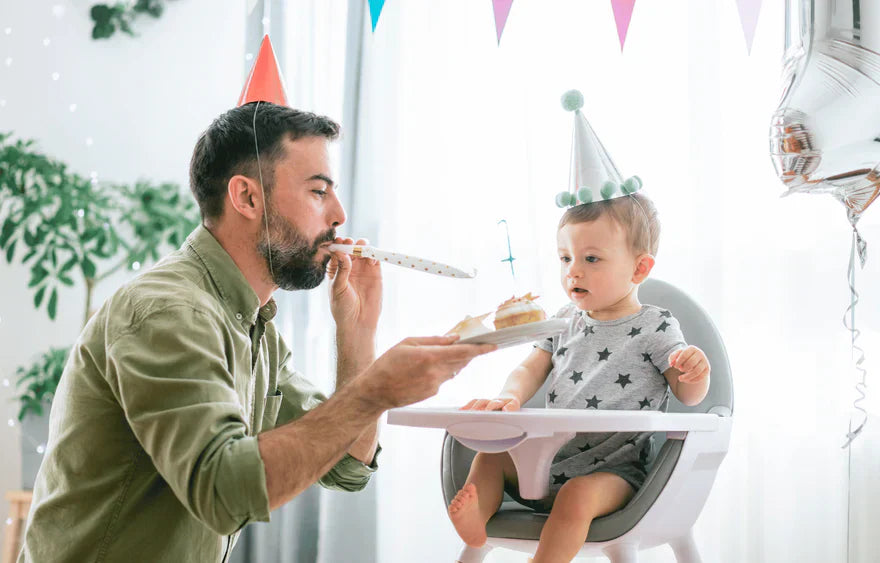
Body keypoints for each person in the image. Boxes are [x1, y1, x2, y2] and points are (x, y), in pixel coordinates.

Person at [19, 102, 495, 563]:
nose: (339, 215)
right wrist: (373, 393)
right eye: (317, 191)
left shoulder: (254, 326)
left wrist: (357, 337)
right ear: (247, 197)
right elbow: (223, 493)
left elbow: (348, 462)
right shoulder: (170, 312)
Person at [446, 192, 710, 563]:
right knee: (491, 457)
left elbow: (690, 396)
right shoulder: (563, 319)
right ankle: (477, 523)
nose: (573, 270)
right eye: (565, 258)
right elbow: (529, 368)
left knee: (577, 495)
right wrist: (510, 397)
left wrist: (695, 372)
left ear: (638, 269)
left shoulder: (655, 325)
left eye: (591, 259)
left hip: (614, 473)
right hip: (548, 462)